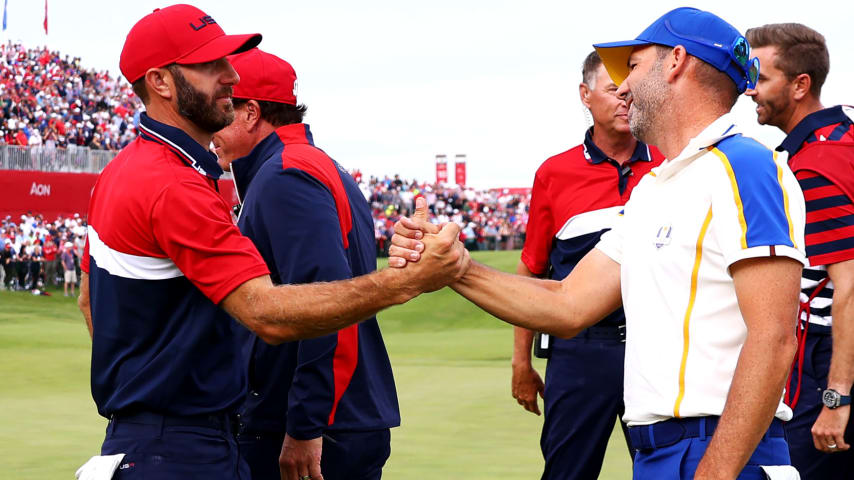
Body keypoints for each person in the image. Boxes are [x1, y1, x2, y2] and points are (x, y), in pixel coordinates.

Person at [392, 7, 806, 479]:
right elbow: (568, 303)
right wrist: (455, 268)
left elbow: (773, 338)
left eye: (631, 67)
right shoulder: (656, 188)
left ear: (675, 61)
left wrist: (714, 472)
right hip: (662, 451)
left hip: (721, 452)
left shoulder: (747, 166)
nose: (623, 87)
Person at [76, 5, 467, 480]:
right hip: (181, 447)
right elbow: (264, 311)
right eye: (210, 64)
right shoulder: (178, 182)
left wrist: (148, 377)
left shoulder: (123, 171)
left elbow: (88, 300)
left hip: (156, 436)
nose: (230, 74)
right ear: (160, 81)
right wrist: (406, 282)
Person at [212, 48, 400, 480]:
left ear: (251, 113)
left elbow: (326, 303)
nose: (213, 124)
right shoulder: (310, 164)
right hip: (334, 418)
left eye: (225, 107)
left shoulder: (284, 175)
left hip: (316, 427)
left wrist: (305, 425)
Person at [511, 50, 664, 480]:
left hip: (657, 347)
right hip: (579, 351)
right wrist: (521, 362)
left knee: (665, 469)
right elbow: (533, 270)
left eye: (631, 92)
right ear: (585, 94)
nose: (625, 101)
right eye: (614, 91)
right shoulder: (554, 173)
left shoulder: (670, 165)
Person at [745, 23, 854, 478]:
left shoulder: (815, 164)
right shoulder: (843, 134)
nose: (750, 91)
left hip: (831, 360)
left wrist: (836, 399)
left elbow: (848, 287)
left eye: (761, 78)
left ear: (800, 85)